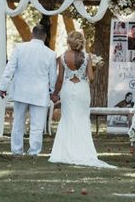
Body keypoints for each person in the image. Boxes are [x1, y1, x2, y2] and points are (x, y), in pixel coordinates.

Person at [48, 31, 115, 168]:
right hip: (82, 90)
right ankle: (83, 152)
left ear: (69, 41)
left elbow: (60, 79)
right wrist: (92, 69)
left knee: (67, 118)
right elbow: (90, 77)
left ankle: (64, 152)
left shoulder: (62, 57)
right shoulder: (87, 57)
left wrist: (55, 94)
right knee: (82, 119)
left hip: (67, 89)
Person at [0, 25, 57, 156]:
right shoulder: (51, 54)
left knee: (18, 122)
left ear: (32, 34)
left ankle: (17, 151)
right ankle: (33, 152)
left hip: (21, 91)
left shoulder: (19, 48)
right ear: (45, 37)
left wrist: (3, 87)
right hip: (40, 93)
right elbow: (53, 76)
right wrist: (52, 91)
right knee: (37, 125)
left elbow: (9, 69)